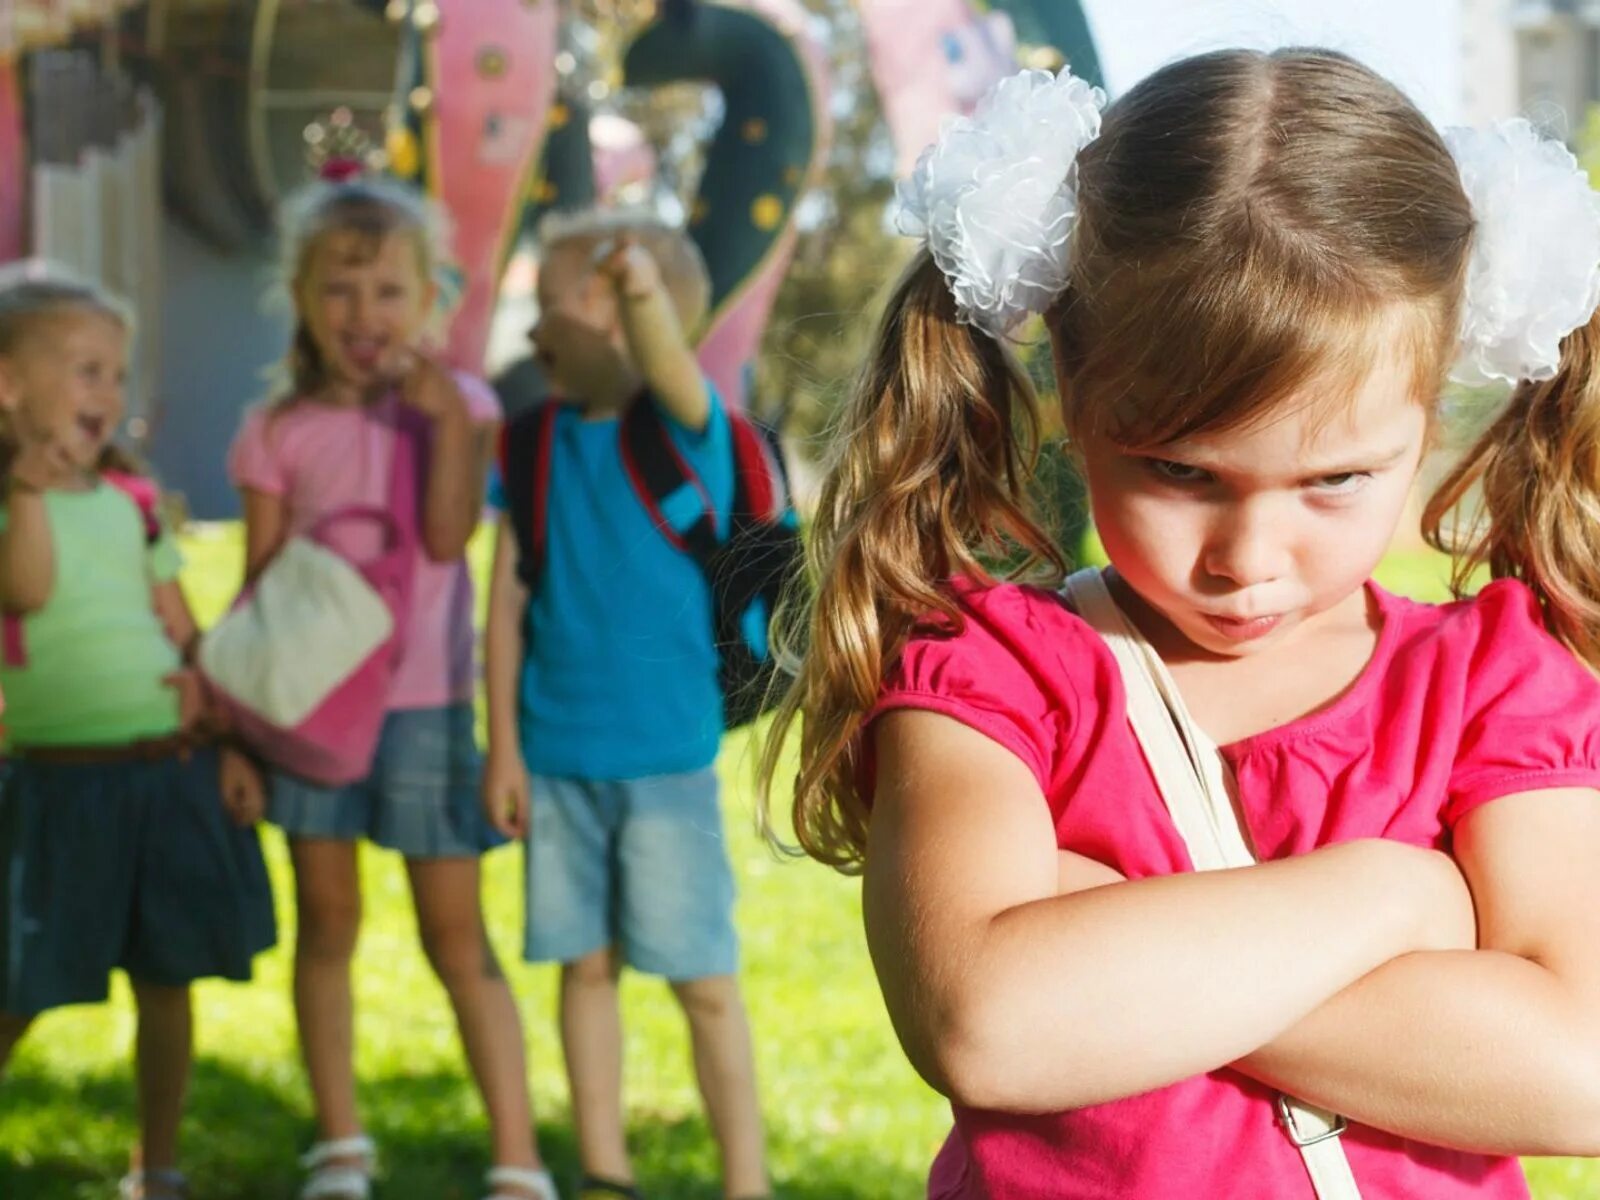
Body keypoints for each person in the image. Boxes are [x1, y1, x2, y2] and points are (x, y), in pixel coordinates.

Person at [760, 50, 1600, 1199]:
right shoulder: (989, 676)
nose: (1247, 562)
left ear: (1431, 404)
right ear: (1071, 380)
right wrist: (1399, 897)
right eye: (1180, 472)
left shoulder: (1494, 682)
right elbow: (988, 1024)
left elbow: (1575, 1070)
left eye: (1336, 480)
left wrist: (1098, 942)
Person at [226, 177, 556, 1200]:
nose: (362, 314)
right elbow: (256, 593)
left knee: (455, 934)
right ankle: (340, 1146)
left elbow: (453, 536)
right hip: (308, 715)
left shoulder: (460, 406)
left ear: (426, 303)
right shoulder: (274, 428)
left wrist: (446, 429)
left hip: (421, 712)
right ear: (301, 298)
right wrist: (239, 735)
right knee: (326, 922)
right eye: (339, 290)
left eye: (385, 291)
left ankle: (515, 1155)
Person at [483, 210, 769, 1200]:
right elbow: (506, 601)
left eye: (550, 306)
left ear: (610, 310)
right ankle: (605, 1173)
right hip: (559, 759)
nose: (532, 333)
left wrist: (642, 287)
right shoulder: (527, 446)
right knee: (584, 968)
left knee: (701, 983)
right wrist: (504, 751)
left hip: (664, 762)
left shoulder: (689, 430)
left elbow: (667, 362)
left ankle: (747, 1182)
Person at [0, 271, 276, 1200]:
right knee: (19, 981)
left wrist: (228, 738)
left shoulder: (133, 500)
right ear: (7, 385)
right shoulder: (7, 505)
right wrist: (28, 492)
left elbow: (182, 629)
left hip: (166, 770)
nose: (107, 394)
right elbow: (27, 593)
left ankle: (156, 1164)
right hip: (58, 786)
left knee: (168, 978)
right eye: (83, 371)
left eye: (114, 374)